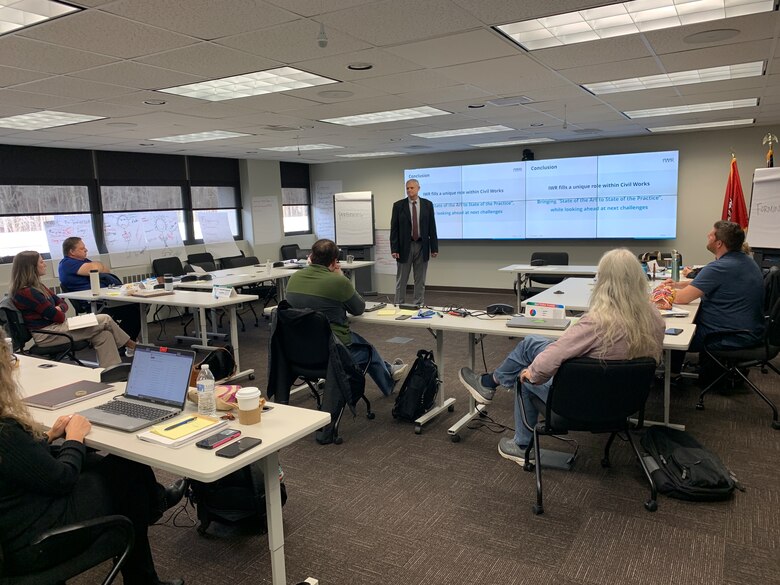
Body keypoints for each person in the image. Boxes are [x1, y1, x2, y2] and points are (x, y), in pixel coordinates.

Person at [0, 337, 186, 585]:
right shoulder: (5, 433)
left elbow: (19, 464)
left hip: (15, 527)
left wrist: (48, 437)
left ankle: (154, 503)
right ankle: (153, 508)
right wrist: (75, 439)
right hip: (36, 543)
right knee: (127, 469)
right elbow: (61, 479)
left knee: (102, 465)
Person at [459, 248, 665, 465]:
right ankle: (490, 382)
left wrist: (531, 373)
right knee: (531, 343)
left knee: (526, 377)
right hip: (625, 401)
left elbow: (544, 367)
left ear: (602, 281)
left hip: (580, 400)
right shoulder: (654, 318)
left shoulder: (596, 322)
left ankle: (521, 446)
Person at [285, 239, 407, 396]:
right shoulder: (337, 281)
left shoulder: (294, 278)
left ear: (311, 256)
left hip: (300, 348)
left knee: (362, 343)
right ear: (334, 261)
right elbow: (358, 308)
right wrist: (340, 275)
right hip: (333, 348)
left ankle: (389, 368)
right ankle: (388, 383)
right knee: (369, 350)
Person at [11, 251, 136, 368]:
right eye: (41, 262)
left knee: (104, 334)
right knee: (105, 319)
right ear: (32, 267)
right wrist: (57, 310)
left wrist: (58, 308)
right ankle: (132, 346)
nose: (45, 265)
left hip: (58, 327)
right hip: (48, 334)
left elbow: (62, 303)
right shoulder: (27, 292)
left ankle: (111, 371)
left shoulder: (38, 287)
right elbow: (59, 317)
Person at [664, 221, 764, 352]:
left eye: (711, 235)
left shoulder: (720, 267)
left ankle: (672, 371)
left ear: (719, 243)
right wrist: (677, 284)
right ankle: (676, 369)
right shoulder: (745, 261)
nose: (707, 235)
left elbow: (681, 298)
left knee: (669, 332)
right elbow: (709, 282)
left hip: (727, 335)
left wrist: (659, 292)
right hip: (747, 330)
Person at [58, 237, 141, 346]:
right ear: (72, 252)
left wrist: (97, 266)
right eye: (82, 248)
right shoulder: (67, 263)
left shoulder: (82, 261)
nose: (86, 250)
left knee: (137, 307)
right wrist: (97, 266)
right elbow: (94, 269)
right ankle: (125, 343)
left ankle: (124, 341)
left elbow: (105, 269)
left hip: (104, 298)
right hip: (94, 303)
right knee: (134, 310)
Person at [390, 179, 438, 306]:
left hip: (422, 246)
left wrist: (434, 248)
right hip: (404, 247)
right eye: (407, 188)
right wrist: (394, 249)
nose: (409, 190)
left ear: (418, 188)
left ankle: (418, 304)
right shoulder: (398, 205)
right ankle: (399, 304)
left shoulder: (428, 205)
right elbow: (394, 229)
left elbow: (432, 227)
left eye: (411, 188)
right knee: (402, 279)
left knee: (420, 279)